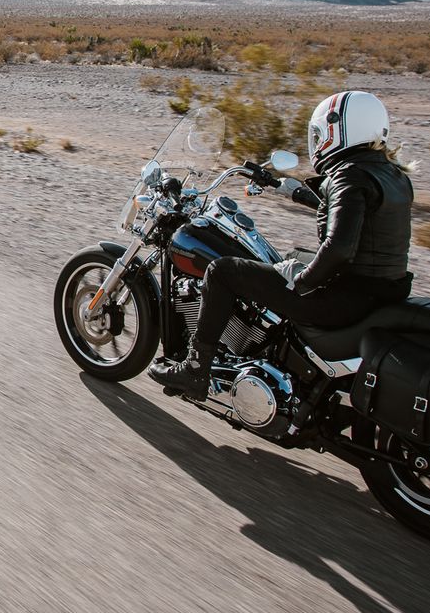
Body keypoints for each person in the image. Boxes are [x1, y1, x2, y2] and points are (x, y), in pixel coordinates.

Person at [151, 90, 414, 400]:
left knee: (222, 271)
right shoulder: (391, 173)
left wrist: (303, 281)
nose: (318, 141)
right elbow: (350, 214)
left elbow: (339, 248)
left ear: (338, 128)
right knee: (290, 256)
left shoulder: (349, 176)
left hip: (344, 298)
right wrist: (290, 190)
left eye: (320, 134)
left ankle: (195, 369)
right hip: (380, 290)